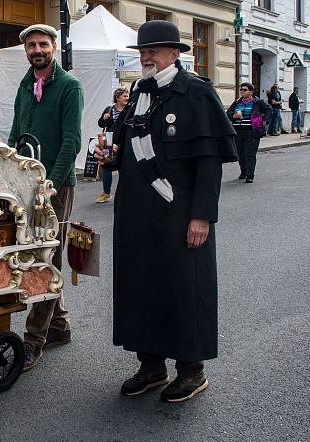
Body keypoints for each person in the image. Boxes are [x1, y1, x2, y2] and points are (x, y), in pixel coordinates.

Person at [94, 20, 237, 403]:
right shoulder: (141, 91)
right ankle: (151, 365)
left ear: (175, 53)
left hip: (180, 213)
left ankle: (192, 370)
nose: (146, 56)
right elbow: (128, 151)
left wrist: (202, 215)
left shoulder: (196, 94)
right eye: (143, 50)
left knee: (183, 289)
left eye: (154, 50)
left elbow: (209, 162)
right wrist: (110, 157)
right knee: (140, 286)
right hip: (137, 214)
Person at [7, 23, 83, 372]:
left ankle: (35, 339)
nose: (37, 50)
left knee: (46, 257)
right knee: (34, 253)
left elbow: (72, 141)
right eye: (31, 46)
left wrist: (50, 181)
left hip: (55, 186)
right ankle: (59, 325)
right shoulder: (25, 84)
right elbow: (15, 134)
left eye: (43, 44)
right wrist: (4, 171)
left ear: (54, 46)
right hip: (24, 183)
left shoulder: (70, 86)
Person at [227, 82, 269, 183]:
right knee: (240, 153)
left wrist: (264, 121)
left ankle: (250, 175)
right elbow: (228, 113)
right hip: (238, 131)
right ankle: (243, 172)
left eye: (245, 90)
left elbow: (268, 110)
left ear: (250, 91)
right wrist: (233, 116)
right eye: (241, 90)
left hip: (252, 131)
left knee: (250, 154)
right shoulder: (237, 102)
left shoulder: (257, 102)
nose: (242, 92)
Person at [96, 87, 128, 203]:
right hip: (109, 141)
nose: (127, 98)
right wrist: (104, 118)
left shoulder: (129, 109)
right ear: (117, 97)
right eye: (124, 96)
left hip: (124, 142)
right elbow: (100, 124)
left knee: (124, 168)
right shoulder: (109, 109)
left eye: (127, 96)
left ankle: (124, 193)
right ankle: (106, 193)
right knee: (106, 166)